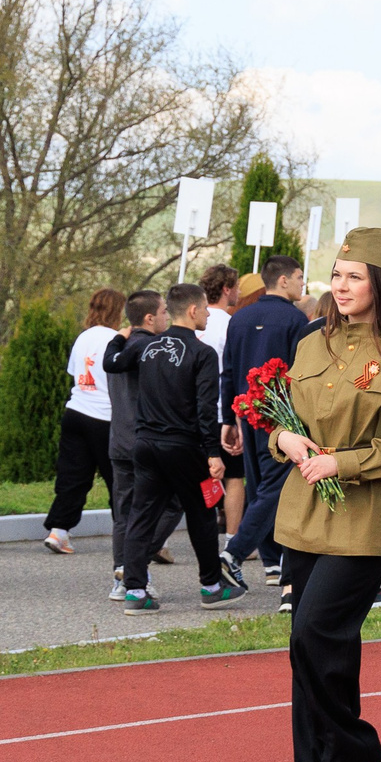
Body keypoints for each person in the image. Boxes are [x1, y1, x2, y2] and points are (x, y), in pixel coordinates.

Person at [270, 228, 381, 762]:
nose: (340, 287)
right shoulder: (311, 345)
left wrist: (344, 461)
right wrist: (283, 438)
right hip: (303, 515)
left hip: (363, 520)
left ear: (380, 284)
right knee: (312, 645)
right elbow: (284, 418)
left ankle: (351, 753)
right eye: (336, 275)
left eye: (354, 276)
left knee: (318, 634)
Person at [103, 282, 246, 613]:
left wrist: (121, 336)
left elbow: (112, 363)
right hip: (183, 447)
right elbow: (205, 407)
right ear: (194, 311)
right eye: (205, 309)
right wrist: (213, 454)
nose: (209, 313)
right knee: (201, 515)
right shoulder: (202, 353)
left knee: (141, 514)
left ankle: (135, 591)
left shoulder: (146, 347)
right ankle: (211, 586)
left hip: (145, 445)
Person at [222, 253, 309, 589]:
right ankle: (234, 553)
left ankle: (273, 563)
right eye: (300, 277)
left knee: (259, 488)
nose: (303, 283)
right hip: (283, 419)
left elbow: (228, 370)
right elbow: (300, 374)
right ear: (283, 280)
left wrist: (228, 418)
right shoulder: (296, 321)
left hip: (247, 412)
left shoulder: (239, 318)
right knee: (275, 489)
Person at [105, 291, 182, 599]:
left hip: (118, 440)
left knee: (124, 512)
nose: (167, 316)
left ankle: (122, 572)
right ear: (149, 318)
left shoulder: (119, 349)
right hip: (147, 441)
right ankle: (135, 564)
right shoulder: (152, 350)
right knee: (171, 502)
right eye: (164, 312)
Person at [44, 288, 123, 557]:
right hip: (105, 417)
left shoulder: (83, 338)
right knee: (119, 480)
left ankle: (59, 531)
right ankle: (128, 534)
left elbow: (74, 373)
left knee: (73, 477)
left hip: (76, 411)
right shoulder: (117, 339)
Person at [199, 264, 244, 534]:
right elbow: (234, 371)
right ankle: (232, 538)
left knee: (199, 473)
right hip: (221, 409)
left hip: (192, 410)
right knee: (234, 476)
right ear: (227, 290)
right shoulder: (231, 324)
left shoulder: (191, 321)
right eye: (237, 286)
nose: (239, 292)